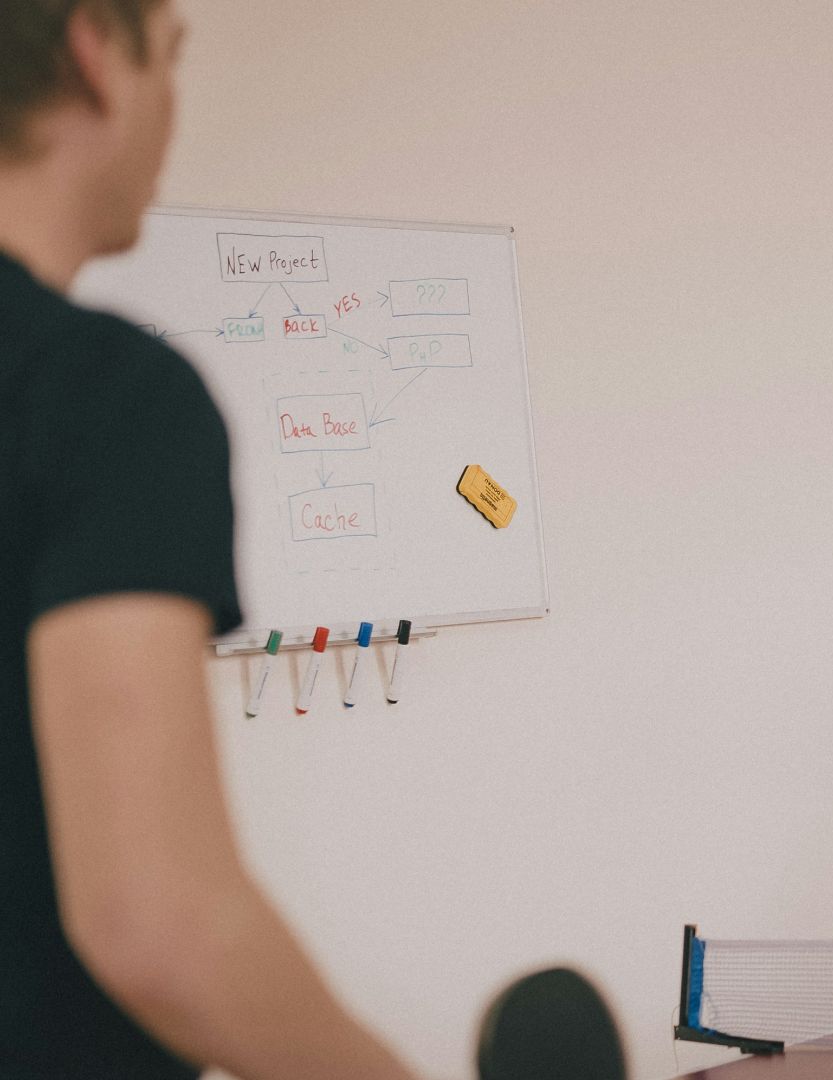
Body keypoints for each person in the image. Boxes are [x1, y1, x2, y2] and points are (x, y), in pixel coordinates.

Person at [0, 1, 422, 1075]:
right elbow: (159, 925)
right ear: (98, 52)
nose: (172, 109)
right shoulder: (101, 394)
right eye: (172, 56)